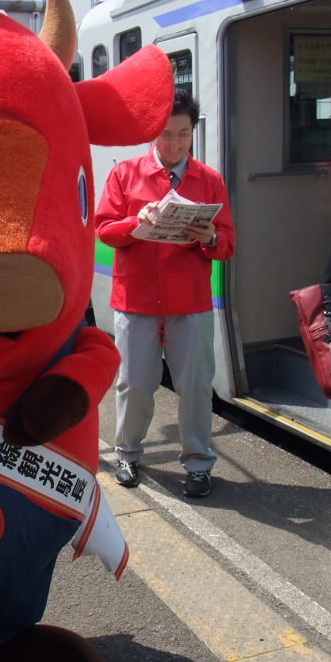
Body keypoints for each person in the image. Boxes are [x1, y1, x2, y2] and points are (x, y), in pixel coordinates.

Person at [95, 90, 236, 498]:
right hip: (137, 299)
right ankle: (128, 453)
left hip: (189, 301)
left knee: (195, 385)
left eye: (183, 134)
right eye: (165, 135)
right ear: (151, 134)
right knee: (135, 383)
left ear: (193, 132)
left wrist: (209, 236)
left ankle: (198, 463)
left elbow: (227, 244)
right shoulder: (125, 175)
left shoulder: (209, 181)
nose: (174, 144)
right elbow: (104, 230)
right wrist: (133, 223)